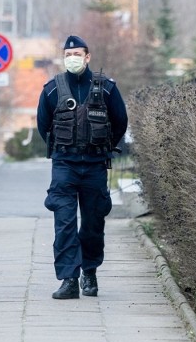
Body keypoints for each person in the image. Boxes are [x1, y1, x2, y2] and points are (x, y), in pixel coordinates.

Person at [36, 35, 128, 300]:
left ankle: (89, 272)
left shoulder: (107, 88)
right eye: (68, 54)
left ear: (87, 57)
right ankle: (68, 279)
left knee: (92, 224)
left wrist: (102, 145)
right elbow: (44, 126)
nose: (72, 58)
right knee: (63, 224)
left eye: (77, 54)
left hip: (95, 165)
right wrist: (64, 149)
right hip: (65, 165)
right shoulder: (53, 89)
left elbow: (120, 121)